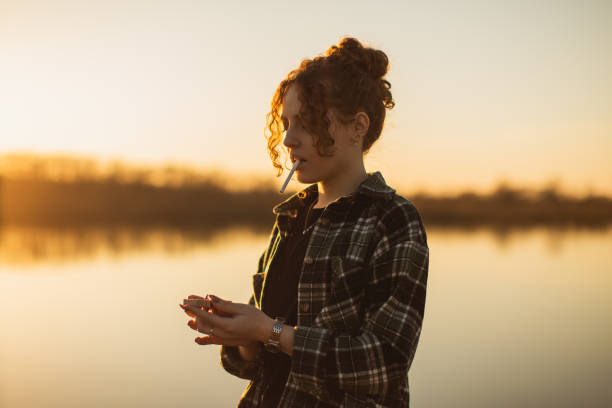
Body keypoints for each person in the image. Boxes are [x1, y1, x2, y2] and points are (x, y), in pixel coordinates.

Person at [180, 37, 429, 407]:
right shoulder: (291, 218)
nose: (289, 140)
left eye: (307, 122)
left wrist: (270, 330)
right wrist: (243, 335)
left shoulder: (392, 219)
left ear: (357, 127)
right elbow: (260, 363)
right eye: (286, 123)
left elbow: (384, 362)